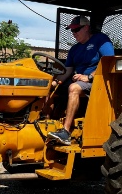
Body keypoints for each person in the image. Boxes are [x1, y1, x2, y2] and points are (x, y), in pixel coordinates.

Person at [47, 16, 114, 145]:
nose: (74, 33)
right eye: (72, 31)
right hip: (78, 80)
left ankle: (65, 132)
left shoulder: (100, 40)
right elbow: (68, 70)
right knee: (48, 87)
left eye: (77, 30)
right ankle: (47, 123)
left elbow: (109, 62)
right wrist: (55, 82)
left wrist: (89, 77)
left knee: (74, 88)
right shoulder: (75, 49)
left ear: (86, 28)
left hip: (97, 81)